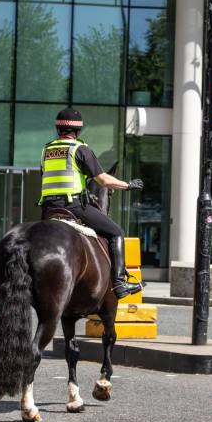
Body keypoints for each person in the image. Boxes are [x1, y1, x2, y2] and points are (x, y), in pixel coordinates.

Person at [39, 107, 143, 299]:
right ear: (77, 131)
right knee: (116, 232)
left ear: (58, 129)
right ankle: (120, 283)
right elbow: (103, 180)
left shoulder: (46, 150)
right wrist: (128, 185)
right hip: (73, 207)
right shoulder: (80, 150)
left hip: (48, 210)